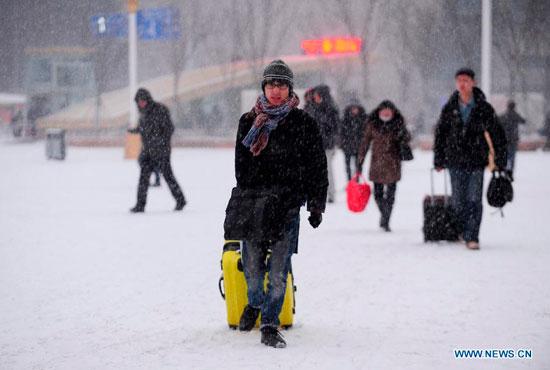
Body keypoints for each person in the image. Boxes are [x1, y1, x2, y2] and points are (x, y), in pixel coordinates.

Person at [234, 60, 328, 348]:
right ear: (264, 87)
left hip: (287, 206)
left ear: (290, 89)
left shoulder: (304, 123)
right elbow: (240, 165)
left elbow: (317, 165)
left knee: (278, 269)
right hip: (254, 204)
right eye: (272, 84)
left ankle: (271, 322)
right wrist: (249, 194)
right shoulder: (249, 121)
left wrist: (316, 203)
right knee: (251, 267)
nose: (276, 90)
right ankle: (254, 303)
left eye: (282, 85)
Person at [434, 68, 507, 250]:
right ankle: (463, 229)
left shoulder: (483, 108)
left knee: (474, 199)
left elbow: (497, 134)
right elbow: (440, 133)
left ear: (473, 82)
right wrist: (439, 158)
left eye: (465, 80)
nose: (462, 84)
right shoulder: (450, 107)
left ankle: (472, 236)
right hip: (455, 161)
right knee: (458, 201)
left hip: (476, 161)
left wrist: (500, 159)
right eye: (459, 80)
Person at [128, 88, 186, 213]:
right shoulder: (143, 114)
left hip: (161, 151)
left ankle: (180, 200)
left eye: (142, 101)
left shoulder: (160, 110)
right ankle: (140, 205)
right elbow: (143, 129)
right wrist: (135, 131)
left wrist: (160, 143)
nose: (141, 103)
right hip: (148, 151)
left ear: (147, 99)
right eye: (138, 101)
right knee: (143, 178)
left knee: (168, 176)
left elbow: (169, 128)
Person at [357, 100, 410, 232]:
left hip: (393, 164)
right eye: (383, 110)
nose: (386, 113)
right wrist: (360, 163)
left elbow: (408, 139)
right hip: (377, 165)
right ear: (379, 112)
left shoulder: (398, 124)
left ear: (393, 112)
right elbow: (364, 144)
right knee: (378, 195)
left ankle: (386, 220)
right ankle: (384, 214)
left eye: (388, 110)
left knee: (391, 195)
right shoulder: (372, 125)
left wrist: (402, 135)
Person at [310, 85, 340, 203]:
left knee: (327, 171)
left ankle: (331, 194)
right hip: (314, 145)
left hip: (326, 146)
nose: (315, 97)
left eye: (317, 95)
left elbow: (335, 127)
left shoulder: (331, 109)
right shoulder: (313, 107)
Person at [341, 101, 367, 181]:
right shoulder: (345, 119)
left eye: (356, 108)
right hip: (347, 146)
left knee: (358, 165)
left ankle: (357, 180)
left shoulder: (363, 119)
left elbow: (365, 133)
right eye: (353, 108)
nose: (354, 110)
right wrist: (343, 143)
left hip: (359, 146)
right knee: (348, 165)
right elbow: (342, 132)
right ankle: (350, 181)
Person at [498, 100, 526, 176]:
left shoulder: (504, 116)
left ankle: (506, 169)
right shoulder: (515, 115)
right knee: (512, 156)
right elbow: (523, 121)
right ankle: (510, 171)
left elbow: (497, 121)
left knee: (506, 155)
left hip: (505, 139)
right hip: (513, 139)